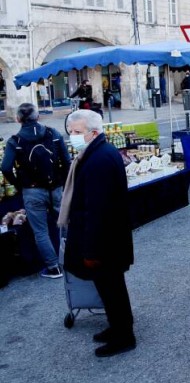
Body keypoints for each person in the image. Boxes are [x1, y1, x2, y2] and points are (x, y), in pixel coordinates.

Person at [58, 109, 135, 356]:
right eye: (71, 132)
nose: (73, 136)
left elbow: (97, 210)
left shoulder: (99, 159)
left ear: (93, 132)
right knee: (109, 287)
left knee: (112, 287)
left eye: (78, 132)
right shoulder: (97, 152)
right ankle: (118, 327)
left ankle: (124, 337)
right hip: (108, 238)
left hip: (104, 241)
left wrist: (91, 250)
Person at [1, 103, 71, 278]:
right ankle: (73, 258)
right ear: (38, 117)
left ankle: (54, 267)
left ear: (18, 119)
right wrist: (61, 180)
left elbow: (6, 168)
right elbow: (67, 161)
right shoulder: (53, 133)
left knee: (41, 231)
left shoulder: (14, 141)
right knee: (64, 223)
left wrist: (19, 185)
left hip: (32, 191)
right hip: (55, 187)